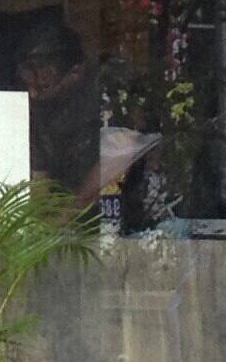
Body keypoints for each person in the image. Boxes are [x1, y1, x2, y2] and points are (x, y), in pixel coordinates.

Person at [14, 20, 157, 222]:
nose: (33, 94)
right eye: (28, 85)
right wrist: (37, 223)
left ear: (75, 73)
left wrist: (61, 220)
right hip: (70, 216)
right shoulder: (41, 108)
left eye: (44, 86)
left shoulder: (111, 88)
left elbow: (114, 161)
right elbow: (40, 176)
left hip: (128, 213)